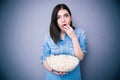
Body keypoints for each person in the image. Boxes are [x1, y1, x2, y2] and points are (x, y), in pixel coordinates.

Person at [40, 3, 87, 80]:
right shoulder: (48, 37)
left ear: (70, 17)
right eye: (58, 17)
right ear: (55, 20)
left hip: (73, 77)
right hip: (53, 77)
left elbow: (80, 57)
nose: (63, 20)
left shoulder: (80, 33)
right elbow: (44, 58)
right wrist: (52, 70)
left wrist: (73, 37)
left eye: (66, 15)